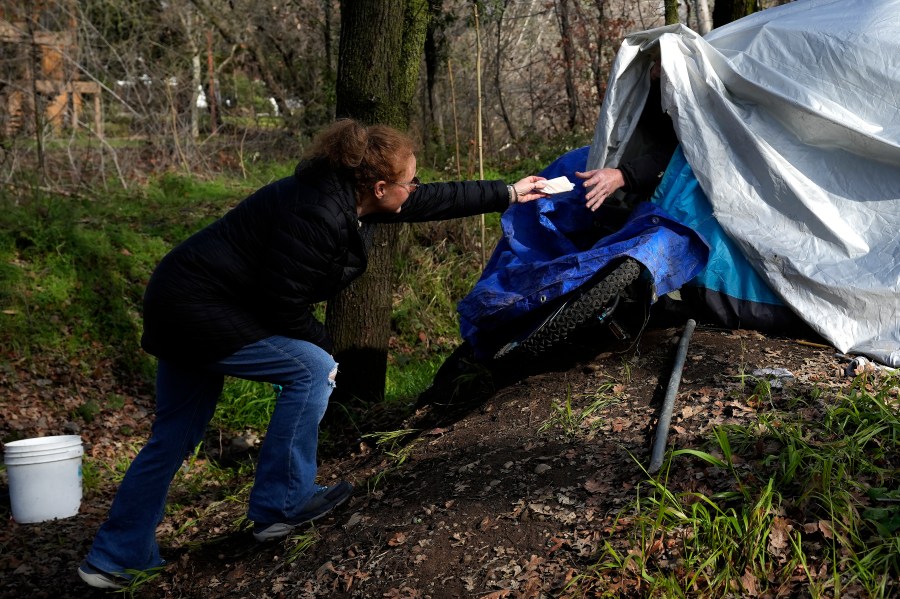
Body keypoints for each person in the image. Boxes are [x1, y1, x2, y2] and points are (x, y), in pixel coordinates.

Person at [77, 119, 548, 589]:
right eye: (410, 181)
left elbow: (430, 199)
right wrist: (326, 349)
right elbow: (281, 303)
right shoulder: (318, 212)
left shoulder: (355, 195)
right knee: (312, 369)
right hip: (197, 308)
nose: (415, 188)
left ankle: (115, 558)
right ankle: (281, 505)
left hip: (186, 300)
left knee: (174, 436)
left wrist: (508, 192)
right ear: (380, 186)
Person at [575, 62, 677, 211]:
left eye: (662, 65)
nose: (656, 71)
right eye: (655, 64)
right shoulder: (644, 92)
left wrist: (622, 176)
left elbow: (672, 154)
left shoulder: (681, 105)